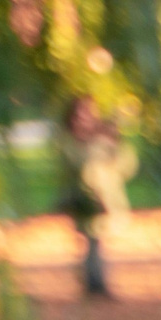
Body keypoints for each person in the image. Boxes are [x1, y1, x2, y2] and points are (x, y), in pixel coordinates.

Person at [55, 97, 135, 300]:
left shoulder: (101, 141)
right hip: (83, 200)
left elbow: (124, 164)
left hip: (102, 200)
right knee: (91, 240)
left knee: (96, 240)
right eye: (80, 114)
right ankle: (94, 283)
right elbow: (80, 167)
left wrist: (110, 143)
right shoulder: (70, 142)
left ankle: (95, 282)